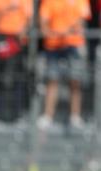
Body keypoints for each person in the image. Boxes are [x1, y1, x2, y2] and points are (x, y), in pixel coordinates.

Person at [37, 0, 90, 130]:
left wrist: (67, 31)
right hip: (53, 46)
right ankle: (48, 116)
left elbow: (82, 19)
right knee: (52, 80)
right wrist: (49, 32)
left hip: (74, 44)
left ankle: (75, 116)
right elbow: (43, 20)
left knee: (75, 81)